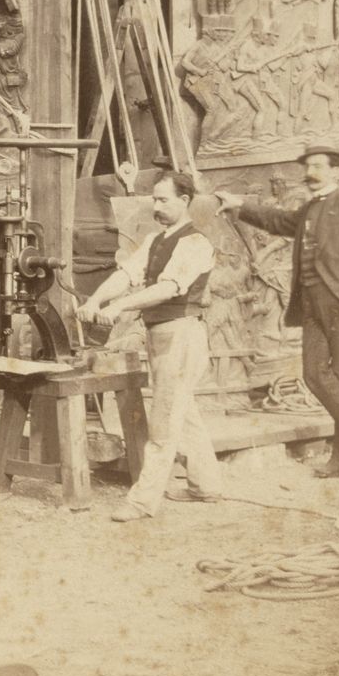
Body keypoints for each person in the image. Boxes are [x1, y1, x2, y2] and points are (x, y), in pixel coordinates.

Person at [218, 145, 339, 478]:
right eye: (308, 166)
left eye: (318, 166)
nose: (311, 173)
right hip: (313, 304)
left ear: (335, 171)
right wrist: (240, 206)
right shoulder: (310, 209)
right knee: (316, 374)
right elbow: (278, 220)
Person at [79, 171, 223, 521]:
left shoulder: (195, 243)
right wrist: (96, 300)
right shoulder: (156, 240)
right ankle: (207, 485)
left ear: (184, 201)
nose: (156, 206)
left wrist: (120, 306)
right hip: (161, 334)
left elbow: (169, 288)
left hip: (182, 334)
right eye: (154, 200)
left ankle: (143, 501)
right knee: (182, 410)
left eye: (163, 200)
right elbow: (126, 275)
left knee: (163, 423)